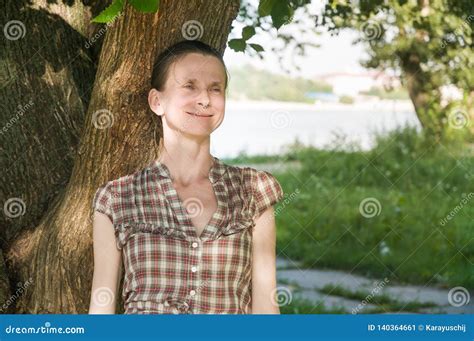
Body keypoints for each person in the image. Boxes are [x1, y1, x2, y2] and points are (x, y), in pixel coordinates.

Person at [88, 40, 284, 314]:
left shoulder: (254, 191)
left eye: (215, 89)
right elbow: (102, 308)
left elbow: (266, 307)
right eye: (189, 86)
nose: (204, 99)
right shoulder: (117, 198)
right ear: (157, 101)